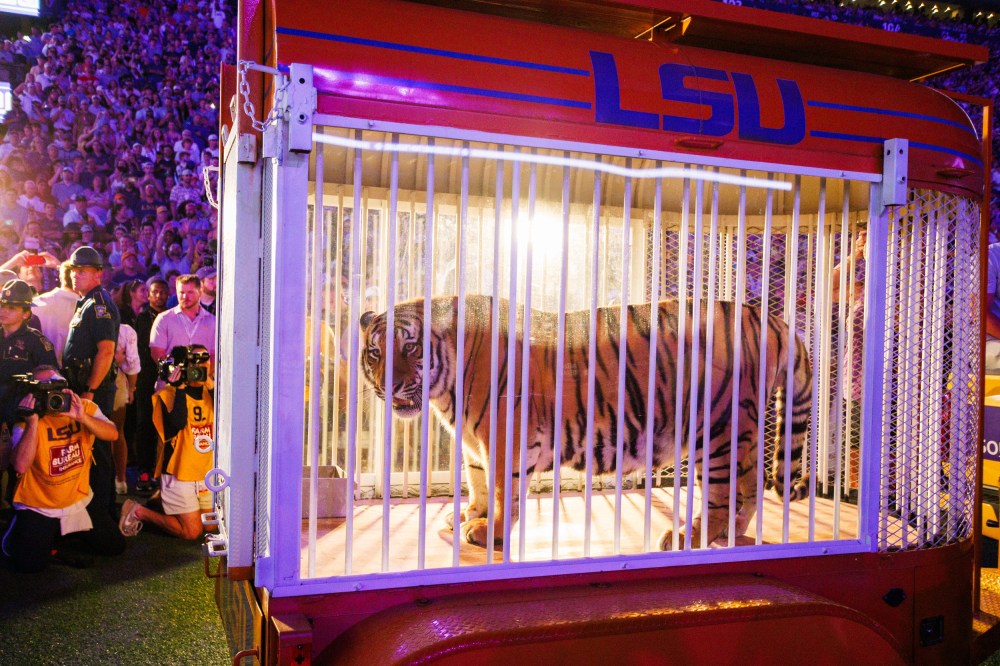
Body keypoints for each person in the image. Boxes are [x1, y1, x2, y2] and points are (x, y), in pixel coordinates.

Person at [1, 365, 124, 572]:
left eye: (57, 386)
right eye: (45, 390)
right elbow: (20, 464)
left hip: (77, 498)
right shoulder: (27, 420)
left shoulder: (83, 407)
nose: (53, 395)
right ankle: (21, 530)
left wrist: (82, 417)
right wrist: (32, 423)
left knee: (115, 546)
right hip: (39, 504)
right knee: (29, 565)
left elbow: (112, 434)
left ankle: (60, 533)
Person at [119, 345, 213, 540]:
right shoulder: (167, 394)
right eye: (194, 362)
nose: (200, 366)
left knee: (211, 526)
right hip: (178, 472)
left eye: (205, 360)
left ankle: (160, 500)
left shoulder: (213, 392)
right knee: (192, 532)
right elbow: (177, 423)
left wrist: (211, 383)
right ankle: (139, 511)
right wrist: (179, 387)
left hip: (204, 470)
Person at [62, 246, 120, 519]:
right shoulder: (86, 301)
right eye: (74, 271)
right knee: (89, 450)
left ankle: (101, 516)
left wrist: (91, 391)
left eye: (83, 271)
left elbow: (106, 351)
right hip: (84, 386)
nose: (77, 276)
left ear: (98, 273)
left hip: (93, 388)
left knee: (98, 452)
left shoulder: (98, 304)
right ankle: (96, 513)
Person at [133, 277, 168, 494]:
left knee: (165, 427)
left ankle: (163, 473)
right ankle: (144, 472)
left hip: (167, 378)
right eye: (155, 292)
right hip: (146, 377)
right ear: (148, 294)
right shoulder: (143, 319)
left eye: (163, 292)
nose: (159, 296)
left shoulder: (173, 317)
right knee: (144, 424)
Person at [149, 274, 215, 373]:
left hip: (203, 383)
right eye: (181, 292)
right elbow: (157, 352)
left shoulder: (212, 321)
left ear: (200, 292)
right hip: (171, 383)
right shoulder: (164, 319)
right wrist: (174, 372)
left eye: (190, 292)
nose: (185, 297)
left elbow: (215, 354)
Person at [32, 262, 78, 366]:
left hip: (39, 369)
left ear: (61, 277)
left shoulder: (35, 303)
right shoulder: (85, 306)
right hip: (72, 373)